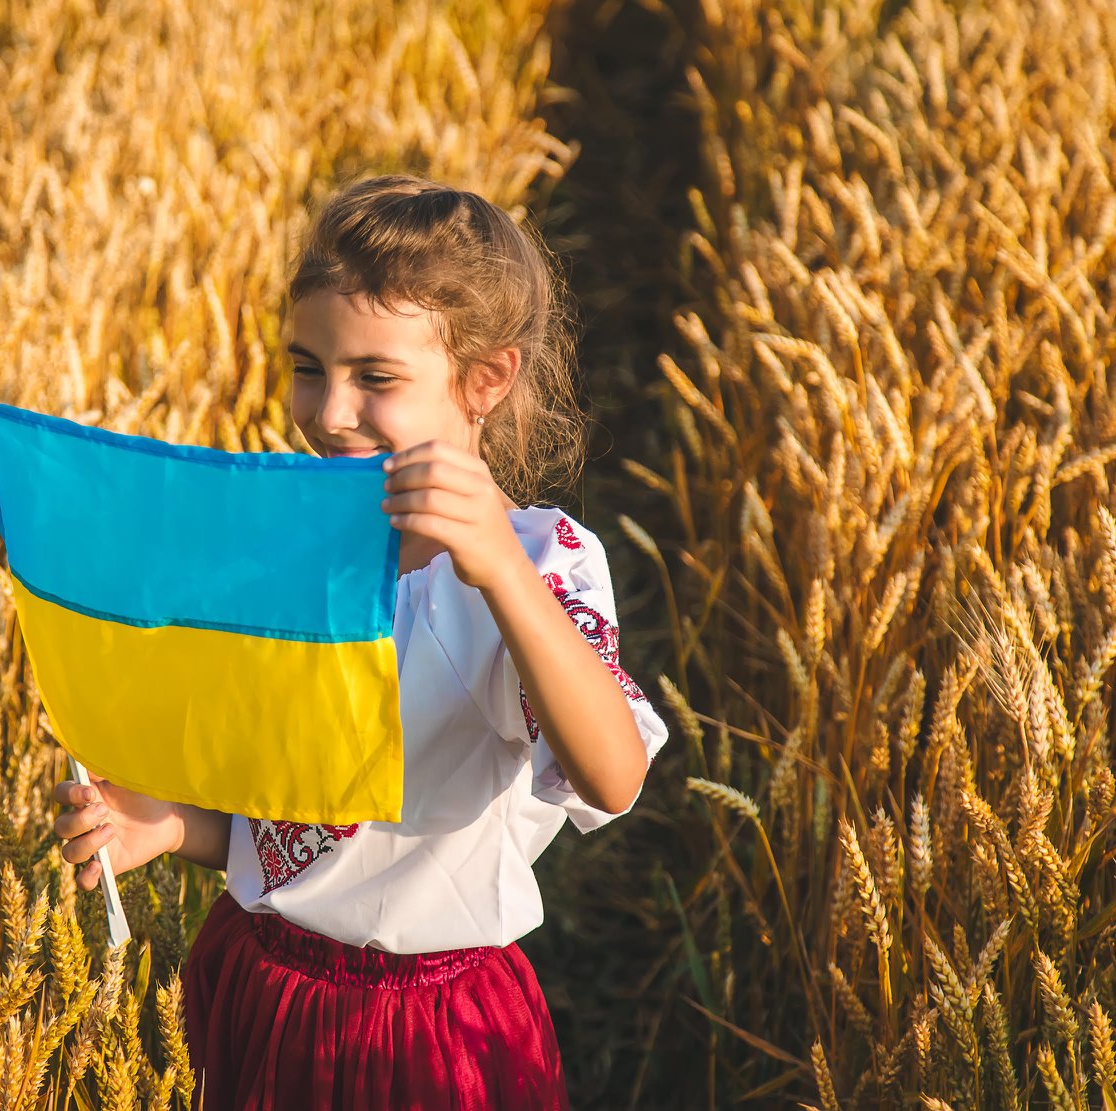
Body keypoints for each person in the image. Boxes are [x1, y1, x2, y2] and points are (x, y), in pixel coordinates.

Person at [49, 174, 670, 1109]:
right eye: (308, 366)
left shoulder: (543, 563)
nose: (329, 411)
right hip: (256, 985)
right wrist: (172, 823)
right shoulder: (298, 547)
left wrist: (499, 570)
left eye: (375, 377)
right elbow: (305, 824)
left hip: (429, 1032)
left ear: (484, 380)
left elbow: (612, 776)